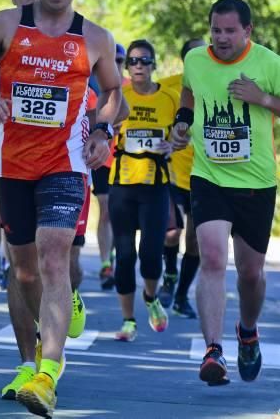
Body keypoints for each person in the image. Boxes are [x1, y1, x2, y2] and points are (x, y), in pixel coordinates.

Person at [0, 0, 122, 418]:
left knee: (52, 260)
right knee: (24, 269)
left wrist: (104, 131)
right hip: (11, 164)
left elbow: (113, 92)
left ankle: (48, 373)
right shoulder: (6, 25)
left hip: (65, 163)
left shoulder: (95, 38)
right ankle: (52, 325)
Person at [171, 0, 280, 385]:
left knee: (251, 274)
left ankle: (247, 331)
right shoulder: (196, 60)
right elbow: (189, 92)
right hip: (209, 177)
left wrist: (262, 98)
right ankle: (213, 351)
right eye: (215, 30)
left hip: (255, 184)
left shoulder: (270, 64)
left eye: (230, 31)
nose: (221, 38)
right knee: (213, 259)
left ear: (247, 31)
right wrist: (182, 123)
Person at [107, 39, 175, 342]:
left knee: (150, 254)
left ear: (153, 65)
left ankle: (150, 297)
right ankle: (128, 320)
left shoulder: (169, 99)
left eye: (144, 61)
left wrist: (173, 145)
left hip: (155, 185)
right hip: (122, 183)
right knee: (124, 255)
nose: (137, 66)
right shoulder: (118, 96)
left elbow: (184, 137)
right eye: (132, 61)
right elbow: (99, 130)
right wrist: (112, 132)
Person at [157, 38, 207, 318]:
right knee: (171, 231)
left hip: (204, 176)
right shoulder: (168, 87)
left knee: (195, 241)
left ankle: (181, 296)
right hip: (172, 173)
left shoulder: (218, 85)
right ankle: (170, 275)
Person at [92, 44, 126, 290]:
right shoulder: (94, 86)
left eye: (120, 59)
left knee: (119, 214)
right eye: (111, 59)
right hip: (103, 158)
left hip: (128, 161)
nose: (116, 63)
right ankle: (106, 263)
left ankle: (115, 257)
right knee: (104, 209)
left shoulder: (133, 86)